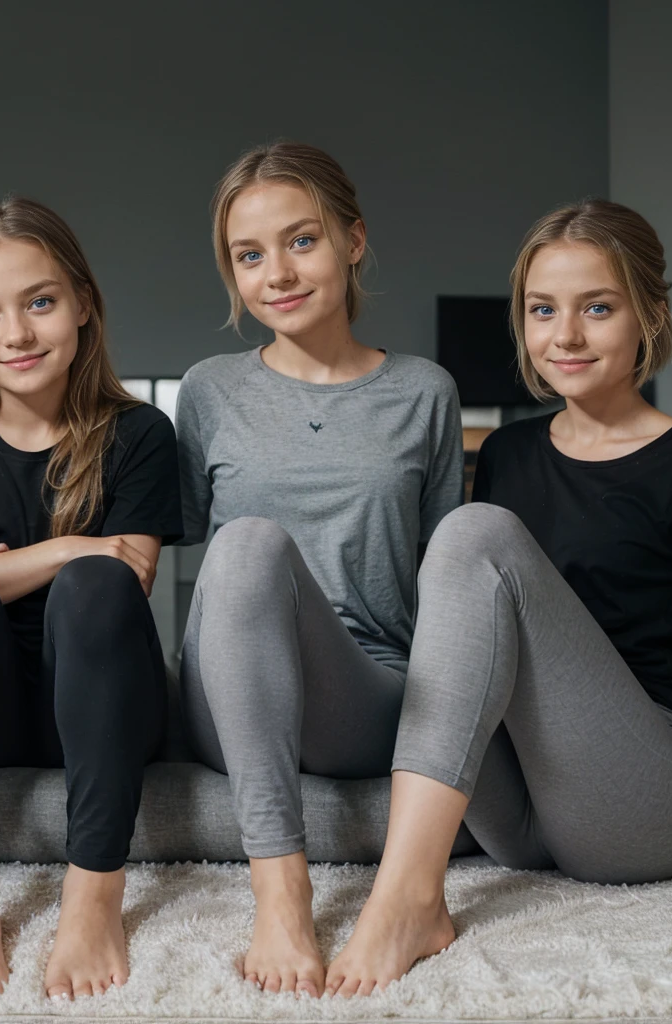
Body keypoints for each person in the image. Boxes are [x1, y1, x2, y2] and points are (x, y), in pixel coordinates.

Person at [324, 198, 672, 997]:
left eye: (597, 308)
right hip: (529, 814)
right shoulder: (506, 453)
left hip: (649, 799)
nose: (565, 337)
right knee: (463, 564)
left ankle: (406, 901)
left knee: (473, 535)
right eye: (543, 310)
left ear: (649, 315)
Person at [175, 141, 463, 995]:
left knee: (258, 546)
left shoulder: (425, 393)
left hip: (367, 691)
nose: (277, 274)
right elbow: (173, 553)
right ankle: (282, 892)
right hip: (224, 700)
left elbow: (446, 578)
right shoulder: (207, 390)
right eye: (248, 254)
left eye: (301, 241)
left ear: (353, 240)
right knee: (249, 546)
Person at [0, 197, 181, 1000]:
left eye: (40, 302)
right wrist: (67, 544)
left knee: (96, 583)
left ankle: (93, 902)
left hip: (103, 707)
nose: (15, 335)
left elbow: (132, 574)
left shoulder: (141, 434)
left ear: (83, 303)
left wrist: (36, 565)